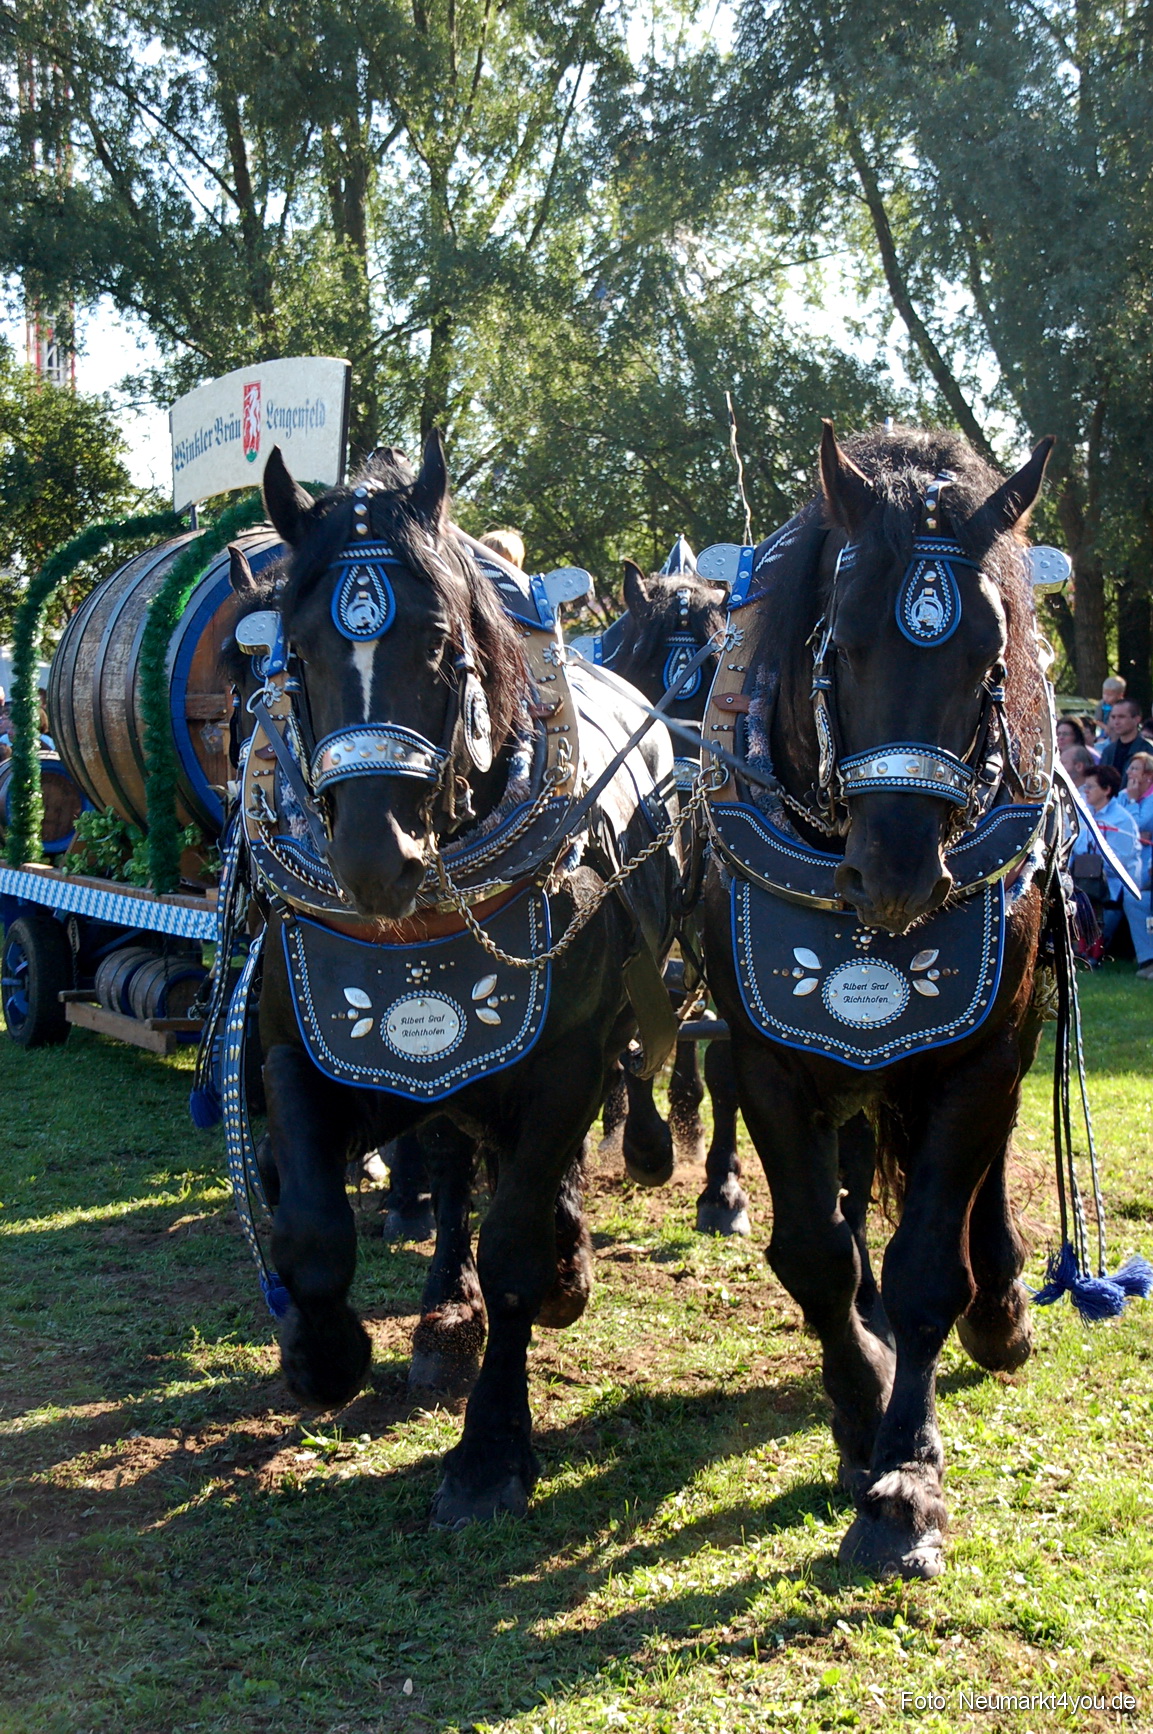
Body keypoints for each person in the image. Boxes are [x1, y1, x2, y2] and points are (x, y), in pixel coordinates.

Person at [1120, 751, 1153, 980]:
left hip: (1148, 862)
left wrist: (1132, 802)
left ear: (1148, 776)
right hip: (1128, 860)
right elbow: (1128, 831)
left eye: (1135, 769)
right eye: (1129, 768)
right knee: (1133, 899)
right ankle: (1147, 959)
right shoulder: (1122, 796)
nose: (1129, 773)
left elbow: (1136, 824)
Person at [1098, 697, 1153, 779]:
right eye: (1113, 717)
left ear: (1137, 719)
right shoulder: (1108, 751)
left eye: (1121, 717)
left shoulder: (1148, 750)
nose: (1116, 722)